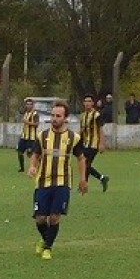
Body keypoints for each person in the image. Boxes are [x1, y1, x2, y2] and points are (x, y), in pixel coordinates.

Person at [27, 100, 88, 260]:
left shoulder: (73, 138)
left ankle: (47, 247)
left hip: (63, 182)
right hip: (42, 182)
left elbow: (81, 158)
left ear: (66, 118)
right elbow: (35, 154)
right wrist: (33, 167)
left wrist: (83, 180)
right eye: (53, 115)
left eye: (58, 116)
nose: (54, 119)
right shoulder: (43, 136)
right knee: (40, 219)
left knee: (54, 217)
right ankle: (46, 238)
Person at [79, 94, 110, 191]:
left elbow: (100, 129)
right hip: (85, 143)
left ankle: (84, 186)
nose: (87, 103)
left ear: (93, 103)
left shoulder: (96, 115)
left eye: (89, 101)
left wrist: (102, 143)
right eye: (86, 101)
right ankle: (102, 178)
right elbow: (82, 130)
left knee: (85, 164)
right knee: (85, 164)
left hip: (94, 144)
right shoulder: (83, 116)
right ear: (83, 103)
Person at [16, 98, 39, 172]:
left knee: (30, 154)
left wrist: (27, 122)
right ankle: (22, 168)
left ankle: (35, 167)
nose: (29, 106)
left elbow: (36, 124)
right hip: (24, 137)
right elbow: (20, 111)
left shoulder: (35, 114)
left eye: (30, 104)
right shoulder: (25, 113)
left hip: (31, 138)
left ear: (33, 105)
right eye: (27, 104)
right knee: (19, 152)